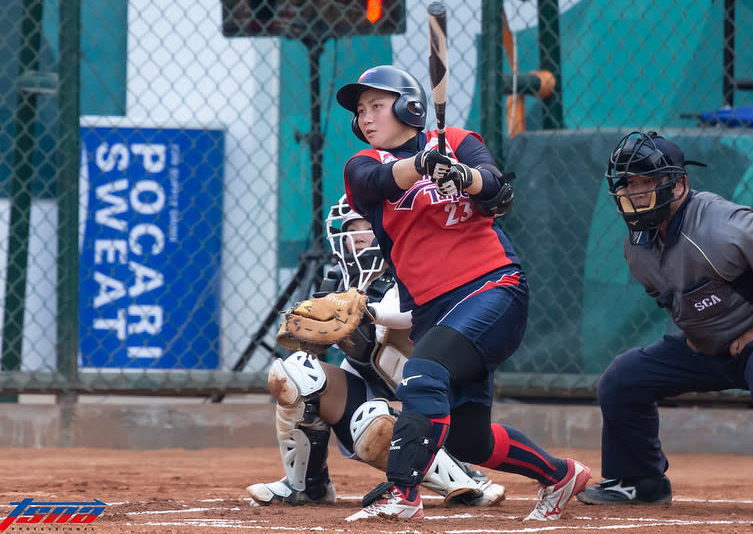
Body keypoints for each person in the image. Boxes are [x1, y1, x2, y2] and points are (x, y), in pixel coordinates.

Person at [336, 64, 590, 522]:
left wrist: (463, 177)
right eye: (361, 111)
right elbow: (370, 185)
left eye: (377, 105)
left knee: (422, 374)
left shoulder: (457, 141)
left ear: (408, 107)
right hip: (434, 312)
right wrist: (423, 167)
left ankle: (402, 492)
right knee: (468, 439)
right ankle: (560, 475)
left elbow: (496, 188)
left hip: (493, 288)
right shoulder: (365, 164)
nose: (367, 118)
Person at [577, 130, 753, 505]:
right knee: (623, 378)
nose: (634, 192)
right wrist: (695, 336)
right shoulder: (638, 245)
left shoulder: (721, 225)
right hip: (713, 344)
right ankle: (640, 481)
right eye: (629, 183)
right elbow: (672, 298)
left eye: (646, 181)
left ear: (679, 184)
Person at [246, 194, 506, 508]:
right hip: (374, 397)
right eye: (351, 227)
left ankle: (463, 479)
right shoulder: (341, 284)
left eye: (365, 226)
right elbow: (319, 348)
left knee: (375, 422)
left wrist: (366, 311)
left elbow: (411, 313)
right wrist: (311, 336)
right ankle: (306, 486)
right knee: (293, 372)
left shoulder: (420, 269)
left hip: (437, 413)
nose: (355, 236)